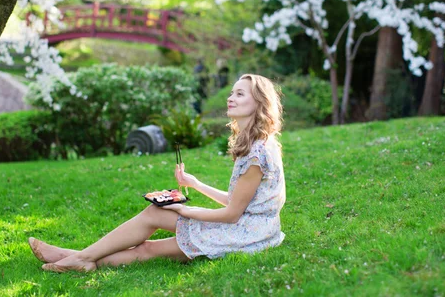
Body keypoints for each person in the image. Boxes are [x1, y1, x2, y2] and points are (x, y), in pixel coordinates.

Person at [28, 74, 286, 272]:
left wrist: (183, 210)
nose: (231, 98)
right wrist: (195, 184)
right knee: (155, 214)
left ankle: (78, 258)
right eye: (232, 93)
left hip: (246, 234)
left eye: (240, 94)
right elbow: (238, 201)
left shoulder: (257, 154)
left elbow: (231, 214)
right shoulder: (256, 143)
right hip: (247, 225)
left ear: (259, 102)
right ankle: (77, 257)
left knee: (149, 247)